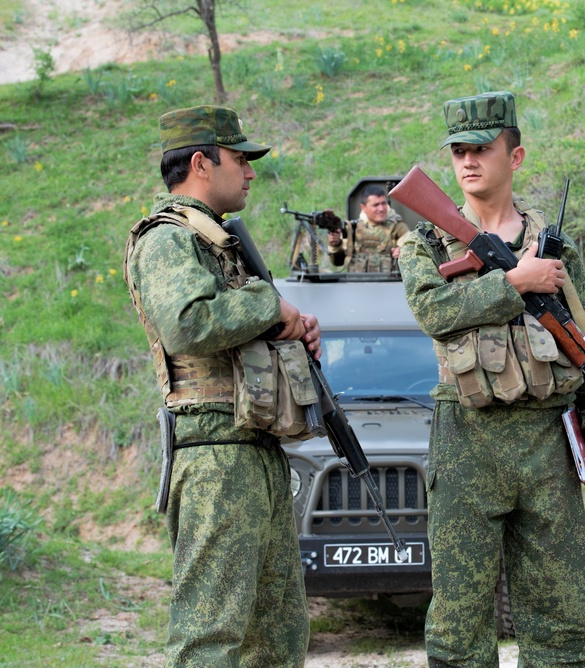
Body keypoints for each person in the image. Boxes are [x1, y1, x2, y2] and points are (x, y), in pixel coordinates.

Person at [398, 91, 585, 667]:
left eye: (483, 149)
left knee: (559, 622)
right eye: (459, 152)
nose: (469, 162)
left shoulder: (553, 244)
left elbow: (584, 333)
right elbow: (434, 312)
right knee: (459, 626)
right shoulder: (424, 238)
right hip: (466, 438)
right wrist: (516, 283)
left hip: (548, 438)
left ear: (515, 156)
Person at [123, 105, 317, 667]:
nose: (251, 173)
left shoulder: (214, 240)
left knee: (277, 635)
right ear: (202, 163)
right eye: (241, 160)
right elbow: (188, 322)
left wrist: (293, 331)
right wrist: (268, 304)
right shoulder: (167, 239)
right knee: (211, 635)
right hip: (214, 456)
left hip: (255, 447)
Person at [327, 185, 410, 273]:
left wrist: (404, 252)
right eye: (376, 205)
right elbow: (338, 262)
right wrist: (335, 245)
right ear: (363, 208)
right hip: (357, 283)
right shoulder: (352, 228)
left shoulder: (398, 227)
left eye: (383, 203)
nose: (381, 209)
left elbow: (414, 254)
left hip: (388, 284)